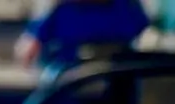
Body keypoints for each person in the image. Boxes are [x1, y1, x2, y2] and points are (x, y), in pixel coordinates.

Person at [15, 0, 151, 66]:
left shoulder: (126, 7)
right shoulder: (58, 9)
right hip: (64, 88)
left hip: (115, 88)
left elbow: (144, 35)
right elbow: (26, 50)